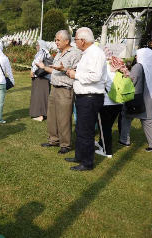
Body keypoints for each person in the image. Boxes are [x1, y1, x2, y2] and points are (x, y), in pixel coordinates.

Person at [64, 27, 107, 171]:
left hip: (90, 97)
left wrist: (75, 75)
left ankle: (87, 162)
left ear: (82, 40)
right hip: (83, 97)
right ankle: (80, 156)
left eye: (75, 39)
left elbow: (95, 76)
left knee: (86, 131)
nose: (74, 41)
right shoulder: (87, 53)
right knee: (80, 129)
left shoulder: (95, 53)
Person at [38, 30, 82, 154]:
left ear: (66, 41)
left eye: (58, 40)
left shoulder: (75, 54)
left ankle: (65, 144)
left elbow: (76, 72)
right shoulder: (58, 54)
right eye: (55, 40)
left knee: (63, 119)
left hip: (65, 89)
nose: (56, 42)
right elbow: (55, 71)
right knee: (52, 117)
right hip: (54, 88)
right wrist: (44, 68)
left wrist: (64, 69)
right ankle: (53, 139)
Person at [95, 50, 127, 158]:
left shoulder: (105, 68)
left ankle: (107, 151)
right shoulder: (122, 70)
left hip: (106, 102)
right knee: (108, 126)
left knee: (105, 128)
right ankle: (101, 143)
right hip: (119, 102)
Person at [119, 48, 152, 152]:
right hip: (148, 98)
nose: (136, 57)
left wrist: (125, 74)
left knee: (125, 117)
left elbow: (132, 81)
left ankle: (125, 140)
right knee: (148, 121)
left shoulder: (138, 66)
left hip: (136, 97)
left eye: (138, 55)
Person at [29, 40, 51, 122]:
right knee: (42, 95)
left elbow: (38, 63)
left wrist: (32, 72)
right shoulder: (46, 53)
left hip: (40, 77)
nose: (36, 47)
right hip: (44, 77)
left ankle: (41, 115)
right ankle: (43, 113)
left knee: (40, 96)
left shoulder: (42, 52)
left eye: (38, 45)